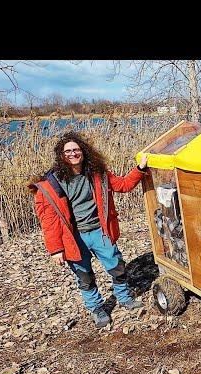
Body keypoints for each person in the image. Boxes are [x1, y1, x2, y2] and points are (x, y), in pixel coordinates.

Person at [29, 131, 148, 328]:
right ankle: (97, 308)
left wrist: (140, 169)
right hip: (74, 237)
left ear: (83, 152)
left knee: (117, 267)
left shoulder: (98, 174)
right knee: (85, 276)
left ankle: (124, 298)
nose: (73, 154)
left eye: (76, 150)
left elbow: (124, 185)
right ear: (61, 155)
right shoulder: (52, 184)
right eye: (67, 151)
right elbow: (48, 220)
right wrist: (56, 249)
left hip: (100, 231)